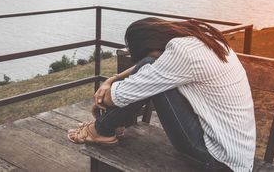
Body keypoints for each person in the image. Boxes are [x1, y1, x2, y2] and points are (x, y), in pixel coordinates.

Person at [68, 17, 256, 172]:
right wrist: (113, 78)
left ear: (149, 44)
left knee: (150, 78)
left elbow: (117, 96)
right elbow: (153, 63)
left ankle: (101, 130)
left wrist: (105, 97)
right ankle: (104, 128)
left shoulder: (181, 52)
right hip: (235, 154)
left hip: (219, 161)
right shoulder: (201, 38)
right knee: (150, 72)